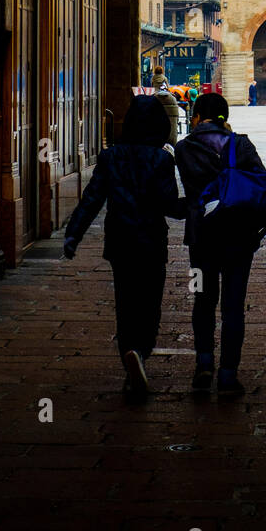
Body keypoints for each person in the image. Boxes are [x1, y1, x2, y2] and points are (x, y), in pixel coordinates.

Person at [63, 96, 185, 397]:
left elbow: (92, 198)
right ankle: (141, 353)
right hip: (151, 240)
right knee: (150, 303)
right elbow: (170, 205)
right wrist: (200, 202)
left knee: (125, 302)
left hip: (120, 240)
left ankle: (129, 355)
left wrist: (73, 235)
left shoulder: (110, 157)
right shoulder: (162, 159)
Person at [176, 93, 266, 398]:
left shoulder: (183, 149)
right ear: (224, 116)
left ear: (197, 117)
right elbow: (264, 183)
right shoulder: (240, 144)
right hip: (239, 234)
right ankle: (227, 375)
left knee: (203, 300)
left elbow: (192, 192)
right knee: (234, 305)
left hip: (202, 236)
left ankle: (204, 363)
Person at [152, 65, 180, 145]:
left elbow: (152, 85)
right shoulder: (164, 78)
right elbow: (167, 87)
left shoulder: (153, 78)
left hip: (156, 95)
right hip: (167, 99)